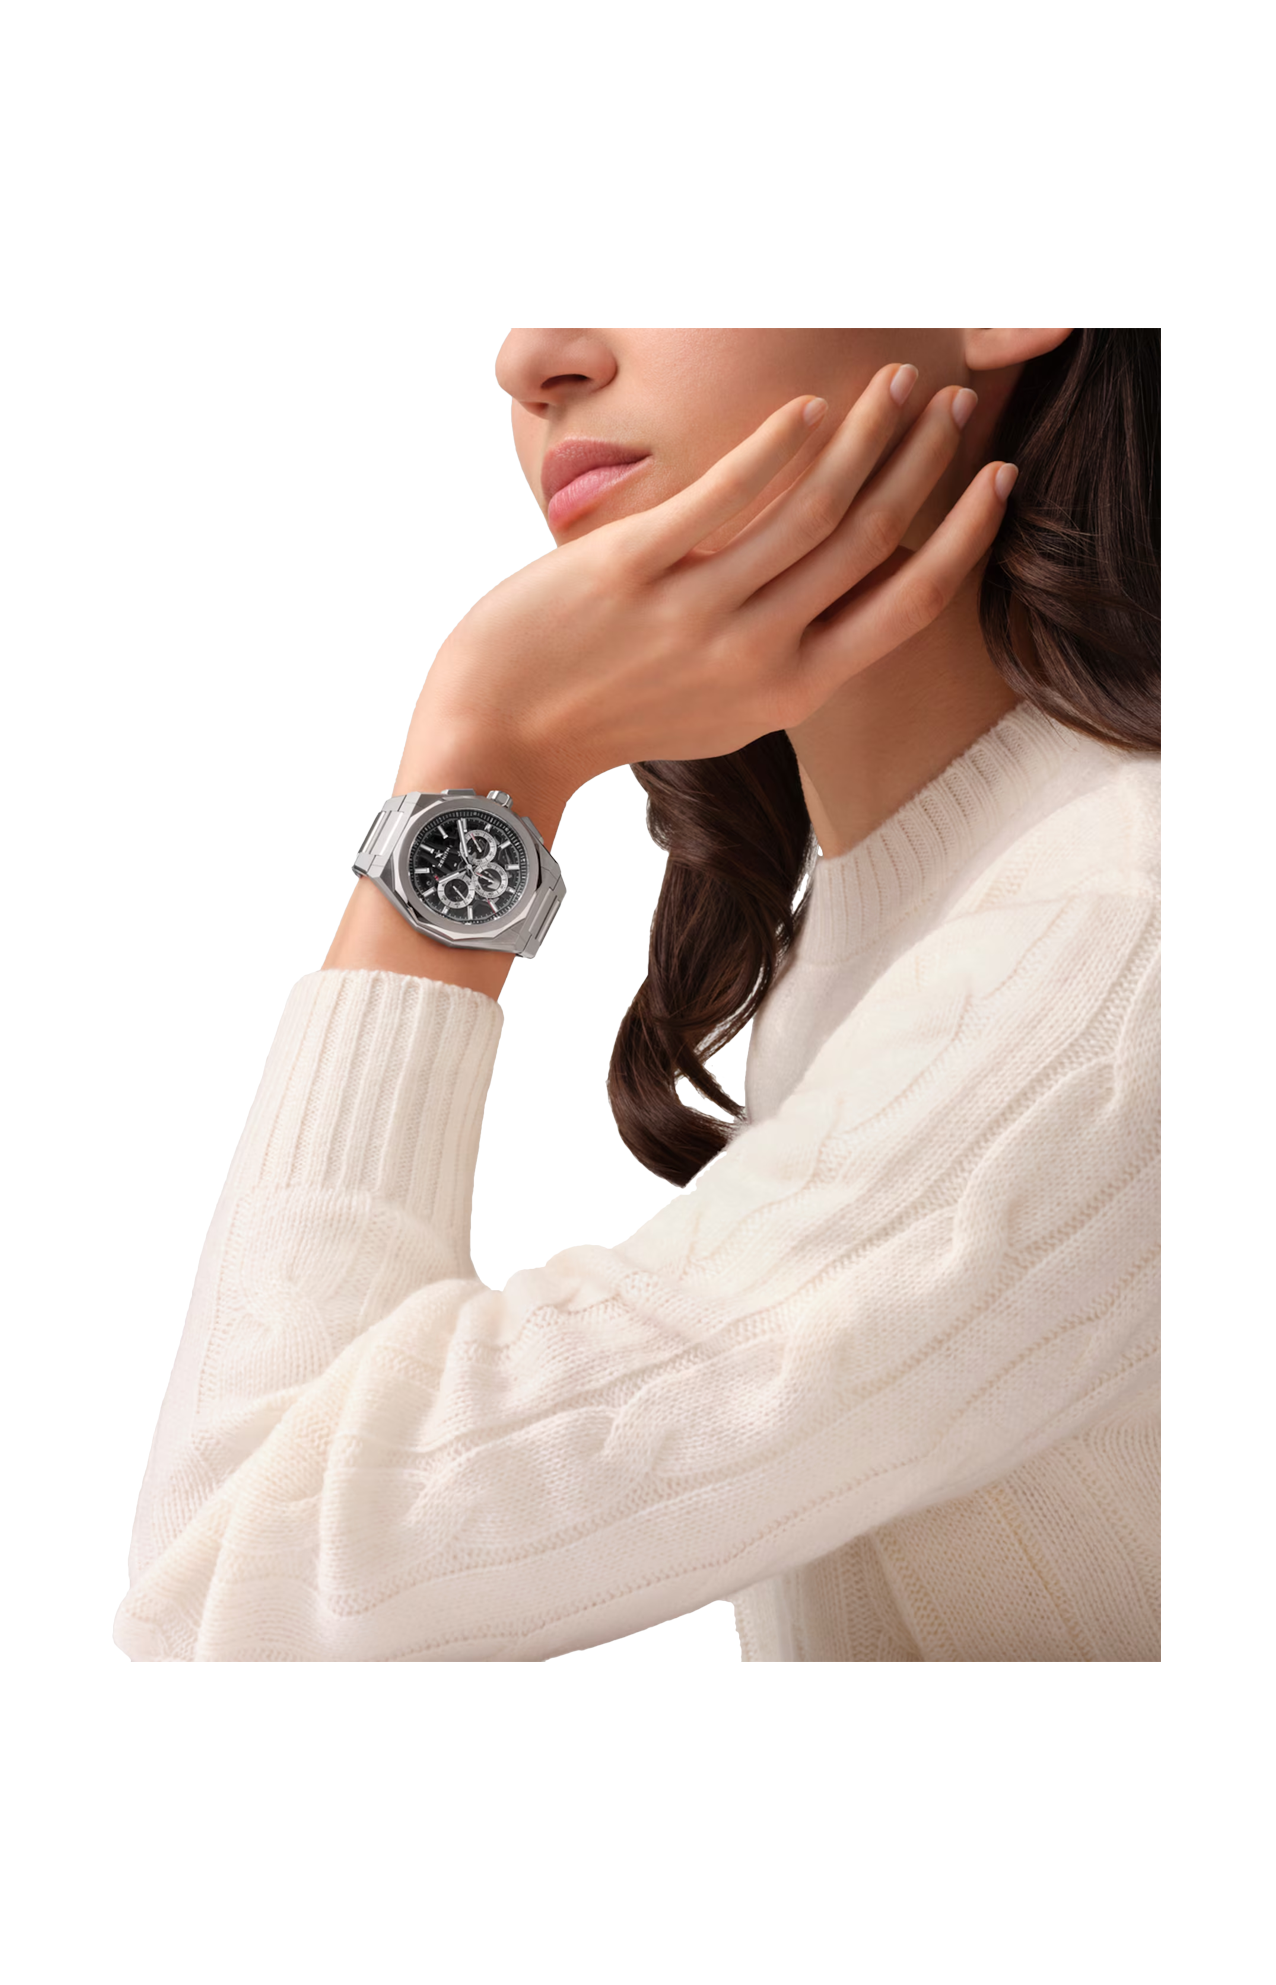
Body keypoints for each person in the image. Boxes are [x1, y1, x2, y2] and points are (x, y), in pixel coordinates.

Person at [115, 328, 1160, 1662]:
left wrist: (487, 752)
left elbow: (228, 1618)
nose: (531, 359)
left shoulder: (1115, 948)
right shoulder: (879, 933)